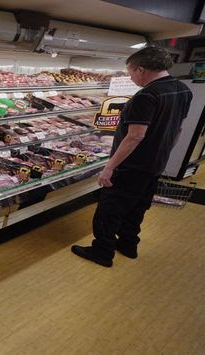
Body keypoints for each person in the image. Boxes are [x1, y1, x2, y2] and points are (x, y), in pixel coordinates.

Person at [71, 46, 193, 267]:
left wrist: (110, 167)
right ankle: (128, 245)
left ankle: (102, 252)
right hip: (155, 163)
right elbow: (178, 130)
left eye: (130, 72)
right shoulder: (182, 90)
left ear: (141, 69)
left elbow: (135, 136)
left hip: (132, 165)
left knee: (109, 210)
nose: (131, 77)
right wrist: (162, 153)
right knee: (137, 207)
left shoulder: (146, 96)